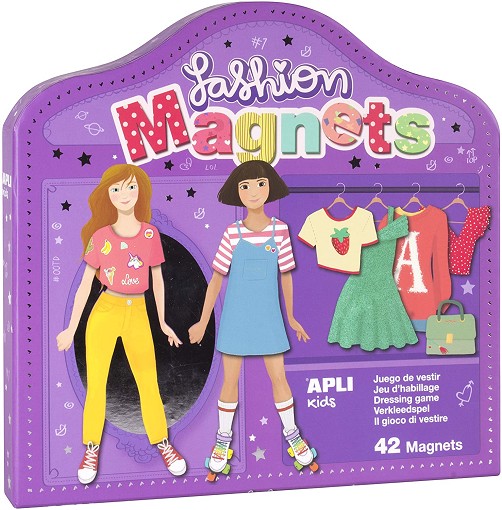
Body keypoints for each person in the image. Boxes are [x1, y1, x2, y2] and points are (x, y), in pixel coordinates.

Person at [56, 164, 186, 484]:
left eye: (130, 187)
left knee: (148, 382)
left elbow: (158, 281)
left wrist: (163, 322)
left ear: (140, 191)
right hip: (105, 310)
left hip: (138, 312)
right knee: (97, 384)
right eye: (116, 189)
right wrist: (71, 328)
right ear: (108, 195)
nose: (124, 194)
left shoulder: (149, 234)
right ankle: (91, 448)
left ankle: (163, 442)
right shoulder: (101, 237)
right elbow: (85, 285)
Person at [189, 160, 318, 481]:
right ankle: (222, 441)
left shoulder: (280, 230)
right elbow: (216, 279)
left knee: (279, 378)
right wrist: (203, 321)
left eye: (260, 184)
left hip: (269, 318)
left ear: (270, 186)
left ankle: (292, 435)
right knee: (229, 381)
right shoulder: (232, 233)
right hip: (236, 318)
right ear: (237, 193)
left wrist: (291, 317)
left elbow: (286, 275)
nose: (253, 192)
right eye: (244, 186)